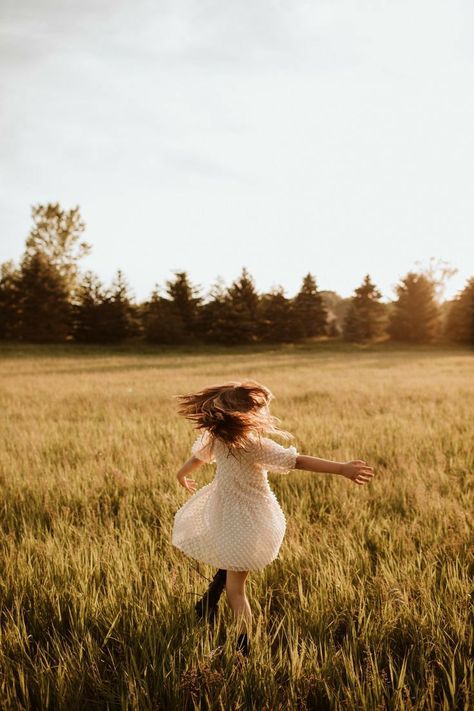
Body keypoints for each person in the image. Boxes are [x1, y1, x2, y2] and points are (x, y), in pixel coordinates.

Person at [171, 380, 375, 658]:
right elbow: (297, 461)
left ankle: (242, 646)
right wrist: (341, 468)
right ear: (248, 415)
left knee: (236, 588)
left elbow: (198, 459)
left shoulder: (216, 438)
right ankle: (220, 619)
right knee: (234, 574)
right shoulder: (254, 445)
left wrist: (182, 475)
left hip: (227, 513)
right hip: (249, 517)